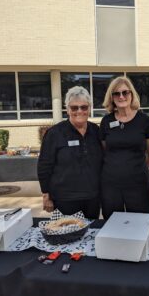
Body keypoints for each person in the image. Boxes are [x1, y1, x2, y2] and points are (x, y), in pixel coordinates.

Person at [37, 86, 102, 219]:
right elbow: (44, 165)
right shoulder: (55, 133)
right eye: (74, 108)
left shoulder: (96, 131)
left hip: (92, 198)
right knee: (66, 236)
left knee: (90, 236)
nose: (79, 111)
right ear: (67, 109)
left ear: (89, 108)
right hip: (64, 200)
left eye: (84, 107)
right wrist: (46, 195)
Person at [99, 76, 149, 219]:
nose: (121, 96)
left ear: (132, 94)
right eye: (116, 93)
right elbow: (104, 150)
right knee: (112, 224)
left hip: (138, 184)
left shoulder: (145, 121)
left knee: (140, 223)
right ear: (111, 97)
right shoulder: (106, 121)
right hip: (110, 184)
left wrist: (141, 168)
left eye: (125, 92)